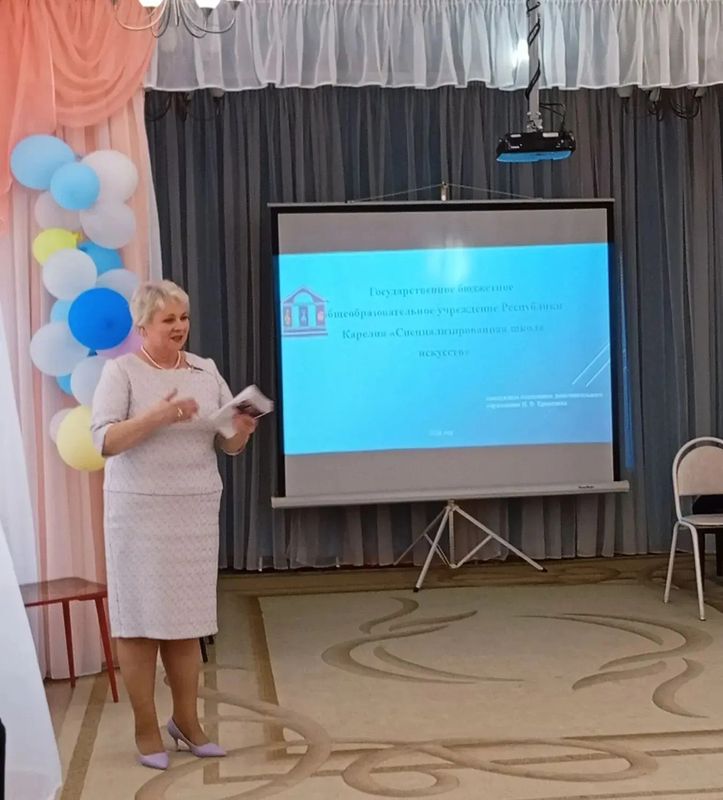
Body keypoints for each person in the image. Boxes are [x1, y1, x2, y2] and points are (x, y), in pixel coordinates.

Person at [90, 280, 257, 770]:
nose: (180, 326)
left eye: (183, 317)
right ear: (143, 326)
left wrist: (241, 431)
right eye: (169, 320)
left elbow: (227, 444)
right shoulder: (121, 371)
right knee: (141, 624)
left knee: (187, 624)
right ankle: (146, 728)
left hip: (194, 511)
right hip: (138, 514)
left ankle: (187, 721)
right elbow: (104, 441)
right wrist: (158, 416)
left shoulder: (206, 371)